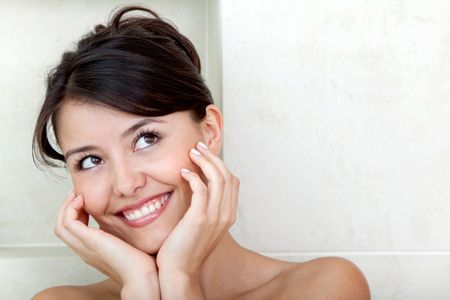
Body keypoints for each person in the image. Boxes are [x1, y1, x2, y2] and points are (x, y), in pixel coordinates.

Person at [31, 6, 370, 300]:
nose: (125, 183)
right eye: (91, 161)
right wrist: (140, 284)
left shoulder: (323, 287)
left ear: (210, 132)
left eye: (147, 138)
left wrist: (179, 278)